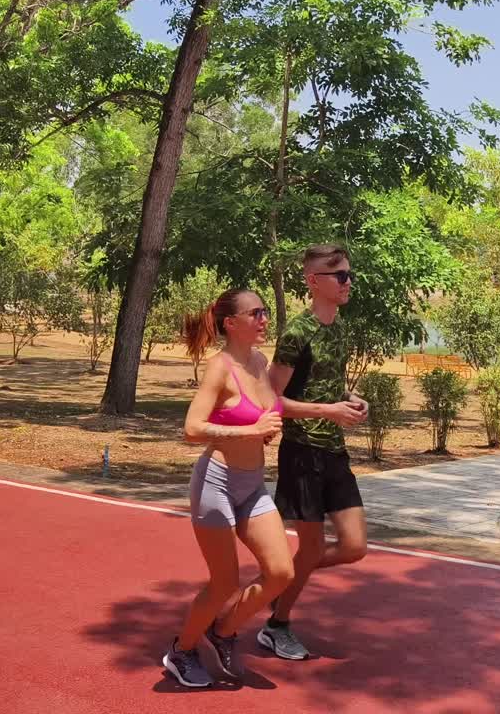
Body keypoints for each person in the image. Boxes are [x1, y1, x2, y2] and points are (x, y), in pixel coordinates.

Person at [162, 288, 296, 688]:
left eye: (265, 312)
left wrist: (265, 431)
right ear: (231, 324)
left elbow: (269, 411)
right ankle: (181, 650)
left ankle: (221, 633)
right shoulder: (220, 367)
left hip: (253, 485)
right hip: (216, 484)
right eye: (256, 313)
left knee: (280, 572)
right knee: (223, 583)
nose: (264, 319)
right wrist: (248, 430)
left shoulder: (259, 361)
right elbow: (191, 429)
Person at [259, 243, 369, 661]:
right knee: (307, 549)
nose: (347, 282)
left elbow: (327, 387)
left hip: (334, 451)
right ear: (313, 282)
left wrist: (352, 401)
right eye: (339, 275)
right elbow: (270, 400)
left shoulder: (338, 328)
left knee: (354, 546)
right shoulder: (296, 333)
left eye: (349, 274)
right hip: (302, 451)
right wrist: (328, 410)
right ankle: (277, 623)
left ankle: (275, 581)